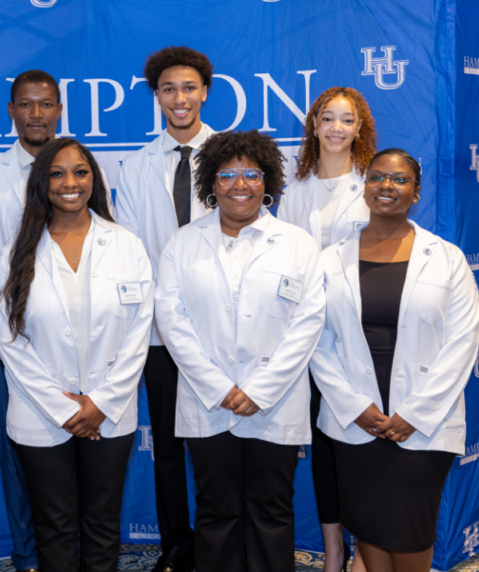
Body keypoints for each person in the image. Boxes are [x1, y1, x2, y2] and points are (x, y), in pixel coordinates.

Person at [155, 129, 326, 572]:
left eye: (251, 173)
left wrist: (260, 390)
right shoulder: (183, 243)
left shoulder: (298, 244)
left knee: (271, 510)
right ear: (211, 183)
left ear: (267, 180)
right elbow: (172, 321)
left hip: (276, 402)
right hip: (207, 401)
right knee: (216, 510)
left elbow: (308, 321)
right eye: (228, 174)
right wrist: (220, 387)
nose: (240, 184)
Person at [0, 69, 111, 572]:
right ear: (11, 111)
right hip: (13, 348)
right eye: (26, 105)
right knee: (22, 459)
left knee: (88, 466)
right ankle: (31, 555)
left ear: (59, 109)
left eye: (46, 104)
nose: (36, 114)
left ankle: (79, 556)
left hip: (86, 345)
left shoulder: (84, 170)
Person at [310, 149, 479, 572]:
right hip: (356, 422)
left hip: (423, 425)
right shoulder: (329, 260)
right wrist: (356, 407)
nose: (387, 186)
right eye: (377, 177)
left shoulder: (448, 258)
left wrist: (414, 413)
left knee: (409, 533)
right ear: (364, 187)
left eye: (400, 179)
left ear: (417, 192)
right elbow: (316, 341)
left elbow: (463, 342)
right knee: (369, 530)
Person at [0, 138, 153, 572]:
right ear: (41, 183)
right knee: (55, 526)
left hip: (110, 411)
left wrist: (99, 402)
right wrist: (62, 407)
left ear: (94, 179)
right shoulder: (17, 251)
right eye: (57, 173)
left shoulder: (126, 245)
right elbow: (10, 340)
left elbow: (139, 332)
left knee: (103, 525)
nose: (70, 182)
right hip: (40, 415)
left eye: (81, 172)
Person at [116, 46, 216, 572]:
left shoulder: (232, 156)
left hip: (224, 334)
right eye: (169, 90)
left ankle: (220, 546)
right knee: (171, 450)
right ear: (157, 97)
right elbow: (134, 252)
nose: (180, 99)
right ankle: (177, 547)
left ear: (205, 92)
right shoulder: (135, 166)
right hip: (160, 335)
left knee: (219, 447)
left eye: (189, 88)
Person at [277, 86, 377, 572]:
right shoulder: (294, 191)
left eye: (347, 120)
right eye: (328, 119)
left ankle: (365, 549)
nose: (336, 128)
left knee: (357, 440)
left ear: (360, 129)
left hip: (358, 333)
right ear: (313, 126)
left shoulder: (371, 184)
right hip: (305, 337)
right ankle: (333, 549)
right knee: (322, 446)